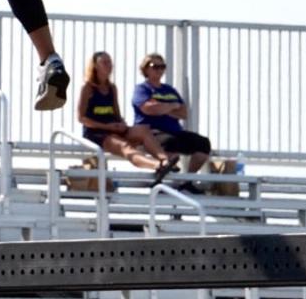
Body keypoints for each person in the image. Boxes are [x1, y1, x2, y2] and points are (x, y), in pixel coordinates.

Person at [77, 51, 178, 183]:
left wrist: (121, 124)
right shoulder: (88, 88)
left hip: (113, 128)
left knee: (143, 130)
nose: (109, 66)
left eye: (110, 62)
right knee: (125, 146)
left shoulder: (112, 88)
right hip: (97, 133)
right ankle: (157, 166)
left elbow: (116, 114)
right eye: (105, 62)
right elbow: (82, 118)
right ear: (95, 66)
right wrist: (106, 126)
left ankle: (165, 160)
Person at [131, 53, 213, 193]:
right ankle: (160, 181)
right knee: (170, 144)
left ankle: (187, 181)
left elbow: (183, 113)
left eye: (162, 66)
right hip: (153, 133)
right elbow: (148, 109)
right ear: (146, 69)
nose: (159, 70)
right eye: (155, 66)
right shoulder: (142, 89)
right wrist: (171, 106)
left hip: (175, 131)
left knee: (203, 144)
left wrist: (162, 108)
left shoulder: (169, 90)